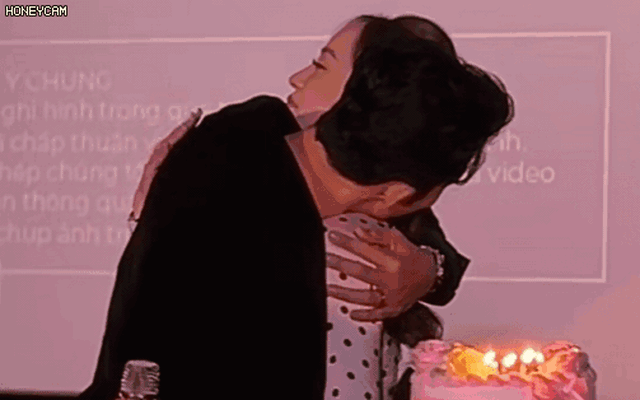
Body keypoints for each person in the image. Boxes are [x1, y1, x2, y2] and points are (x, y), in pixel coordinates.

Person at [78, 14, 514, 400]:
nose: (297, 78)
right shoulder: (345, 257)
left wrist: (430, 268)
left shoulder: (230, 133)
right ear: (393, 196)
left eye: (322, 66)